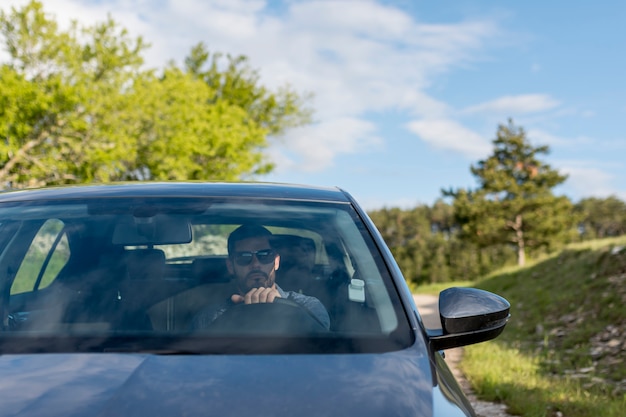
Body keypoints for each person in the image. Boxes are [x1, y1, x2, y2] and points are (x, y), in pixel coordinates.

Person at [192, 224, 330, 330]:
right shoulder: (210, 317)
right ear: (230, 266)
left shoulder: (310, 307)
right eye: (244, 257)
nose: (255, 264)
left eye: (265, 255)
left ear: (276, 261)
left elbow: (323, 353)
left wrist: (284, 309)